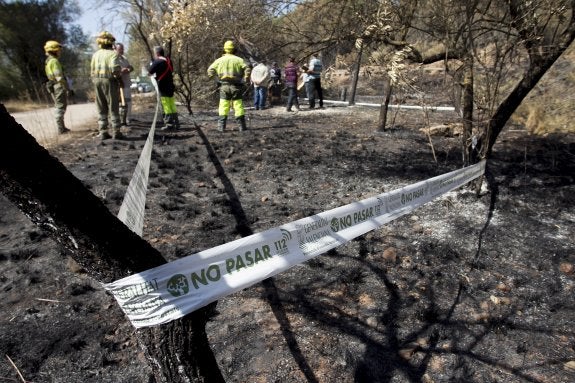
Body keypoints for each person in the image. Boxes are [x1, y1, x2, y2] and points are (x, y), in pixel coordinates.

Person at [207, 40, 251, 132]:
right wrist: (246, 79)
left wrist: (217, 81)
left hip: (224, 86)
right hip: (236, 86)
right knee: (238, 106)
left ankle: (221, 127)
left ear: (224, 49)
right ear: (234, 49)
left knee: (223, 106)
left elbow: (210, 70)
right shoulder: (239, 60)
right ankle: (241, 127)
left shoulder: (219, 60)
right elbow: (247, 67)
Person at [90, 31, 122, 139]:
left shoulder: (95, 54)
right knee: (113, 105)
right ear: (111, 43)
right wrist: (119, 79)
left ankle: (103, 131)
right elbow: (115, 69)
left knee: (101, 106)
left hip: (96, 81)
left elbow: (92, 71)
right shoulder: (113, 54)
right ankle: (116, 131)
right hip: (109, 81)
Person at [148, 46, 180, 130]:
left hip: (163, 86)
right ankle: (176, 123)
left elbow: (149, 72)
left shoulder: (157, 61)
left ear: (157, 53)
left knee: (165, 105)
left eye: (155, 53)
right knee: (171, 104)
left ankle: (169, 124)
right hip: (170, 85)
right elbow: (171, 71)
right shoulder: (169, 61)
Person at [44, 40, 71, 134]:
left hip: (53, 85)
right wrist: (67, 87)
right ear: (54, 50)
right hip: (58, 86)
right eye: (59, 50)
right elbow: (59, 76)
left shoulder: (48, 61)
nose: (60, 52)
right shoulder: (54, 61)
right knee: (60, 106)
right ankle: (61, 128)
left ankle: (62, 127)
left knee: (59, 105)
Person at [115, 42, 134, 126]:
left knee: (128, 102)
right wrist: (122, 71)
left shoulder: (124, 58)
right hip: (119, 85)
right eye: (120, 49)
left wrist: (129, 68)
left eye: (123, 49)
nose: (122, 50)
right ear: (115, 49)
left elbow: (130, 67)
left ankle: (128, 118)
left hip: (126, 84)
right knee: (120, 104)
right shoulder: (114, 59)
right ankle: (121, 120)